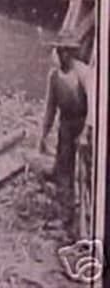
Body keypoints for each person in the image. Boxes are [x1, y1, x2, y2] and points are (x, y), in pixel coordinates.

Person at [40, 34, 89, 232]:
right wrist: (44, 133)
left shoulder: (83, 73)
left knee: (86, 171)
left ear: (70, 52)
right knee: (63, 168)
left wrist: (86, 132)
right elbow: (51, 106)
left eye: (63, 51)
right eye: (58, 51)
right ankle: (64, 214)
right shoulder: (54, 76)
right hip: (66, 125)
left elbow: (94, 106)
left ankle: (88, 216)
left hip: (83, 121)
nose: (60, 55)